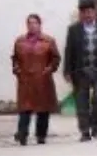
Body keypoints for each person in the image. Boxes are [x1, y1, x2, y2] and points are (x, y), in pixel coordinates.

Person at [63, 0, 97, 142]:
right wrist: (67, 71)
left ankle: (96, 125)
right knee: (81, 103)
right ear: (81, 14)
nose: (88, 15)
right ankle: (85, 131)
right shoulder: (74, 30)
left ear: (95, 13)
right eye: (85, 12)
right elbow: (69, 51)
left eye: (90, 12)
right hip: (81, 71)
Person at [11, 13, 61, 146]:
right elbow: (15, 58)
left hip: (42, 79)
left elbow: (55, 58)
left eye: (34, 23)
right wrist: (16, 69)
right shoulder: (20, 41)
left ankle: (41, 135)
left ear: (39, 25)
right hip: (25, 79)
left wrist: (49, 69)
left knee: (43, 108)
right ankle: (22, 135)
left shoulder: (48, 41)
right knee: (24, 109)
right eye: (29, 23)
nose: (32, 25)